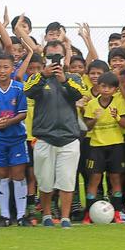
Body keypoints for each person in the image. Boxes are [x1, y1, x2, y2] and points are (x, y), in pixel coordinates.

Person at [24, 47, 86, 227]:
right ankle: (47, 216)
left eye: (58, 57)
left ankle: (65, 218)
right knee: (45, 181)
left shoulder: (74, 78)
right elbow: (27, 90)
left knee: (67, 179)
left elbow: (79, 93)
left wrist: (64, 80)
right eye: (51, 57)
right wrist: (43, 75)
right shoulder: (38, 78)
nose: (55, 61)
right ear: (45, 59)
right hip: (44, 137)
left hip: (69, 137)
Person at [0, 53, 30, 226]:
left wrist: (9, 122)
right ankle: (5, 216)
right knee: (1, 174)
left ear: (12, 69)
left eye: (6, 67)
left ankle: (21, 216)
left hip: (16, 137)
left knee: (18, 174)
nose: (2, 71)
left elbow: (23, 113)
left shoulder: (19, 88)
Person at [82, 71, 125, 218]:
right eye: (103, 86)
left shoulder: (119, 102)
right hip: (96, 146)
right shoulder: (92, 104)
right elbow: (87, 127)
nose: (106, 89)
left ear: (115, 89)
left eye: (110, 87)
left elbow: (124, 125)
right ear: (98, 86)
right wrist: (94, 119)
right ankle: (89, 214)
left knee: (115, 178)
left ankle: (117, 212)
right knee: (95, 178)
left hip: (116, 145)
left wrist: (117, 117)